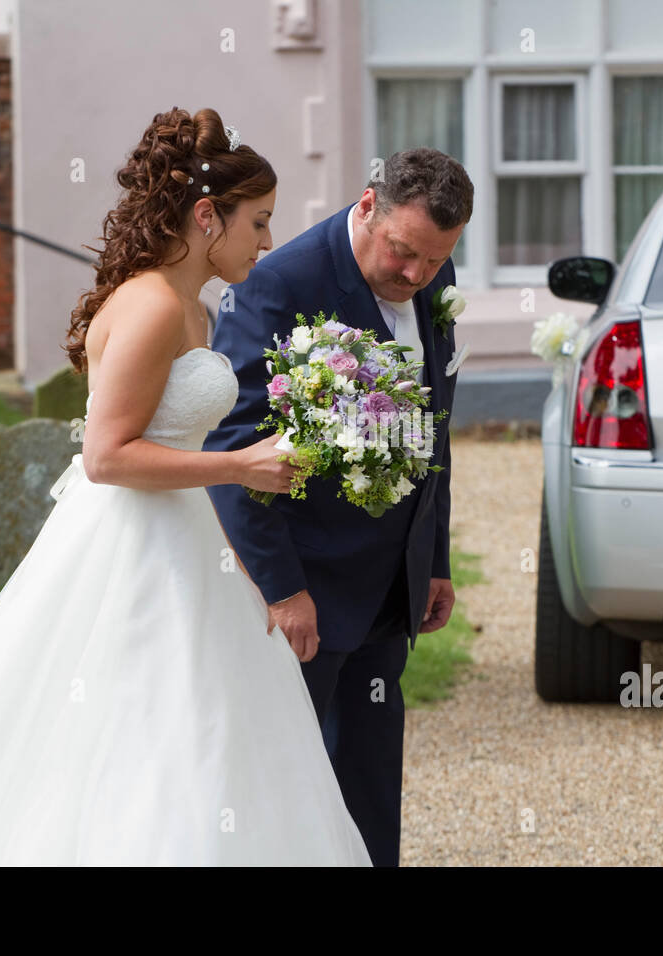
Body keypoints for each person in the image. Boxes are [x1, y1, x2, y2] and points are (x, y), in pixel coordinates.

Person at [0, 107, 372, 866]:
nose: (265, 242)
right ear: (205, 215)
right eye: (257, 223)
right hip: (126, 543)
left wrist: (240, 562)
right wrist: (241, 465)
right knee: (125, 716)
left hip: (184, 540)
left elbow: (170, 443)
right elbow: (107, 456)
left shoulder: (194, 307)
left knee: (197, 724)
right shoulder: (155, 305)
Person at [204, 148, 474, 867]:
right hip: (307, 590)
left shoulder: (432, 272)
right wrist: (283, 587)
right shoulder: (278, 284)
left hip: (393, 590)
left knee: (370, 785)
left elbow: (431, 430)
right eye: (403, 252)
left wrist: (435, 559)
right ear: (366, 207)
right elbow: (234, 451)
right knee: (280, 783)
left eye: (435, 260)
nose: (417, 276)